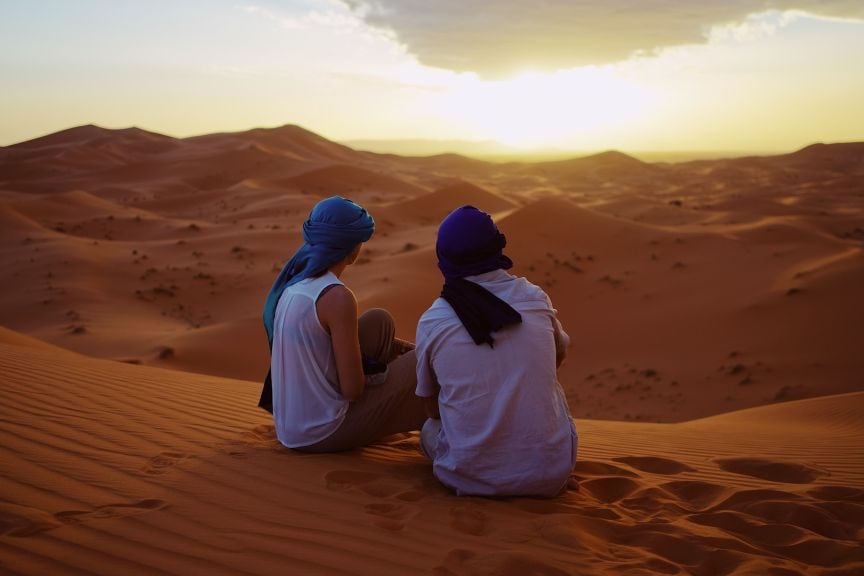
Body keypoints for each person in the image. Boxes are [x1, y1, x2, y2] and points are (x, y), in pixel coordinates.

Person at [415, 205, 577, 496]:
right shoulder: (535, 298)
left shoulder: (434, 319)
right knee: (553, 390)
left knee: (429, 429)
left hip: (466, 477)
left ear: (443, 256)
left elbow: (430, 408)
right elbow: (558, 356)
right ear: (496, 246)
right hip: (550, 477)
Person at [260, 195, 425, 452]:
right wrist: (390, 374)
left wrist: (397, 351)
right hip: (322, 431)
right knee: (426, 360)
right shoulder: (336, 297)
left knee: (378, 322)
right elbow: (352, 390)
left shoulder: (294, 284)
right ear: (353, 247)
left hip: (291, 427)